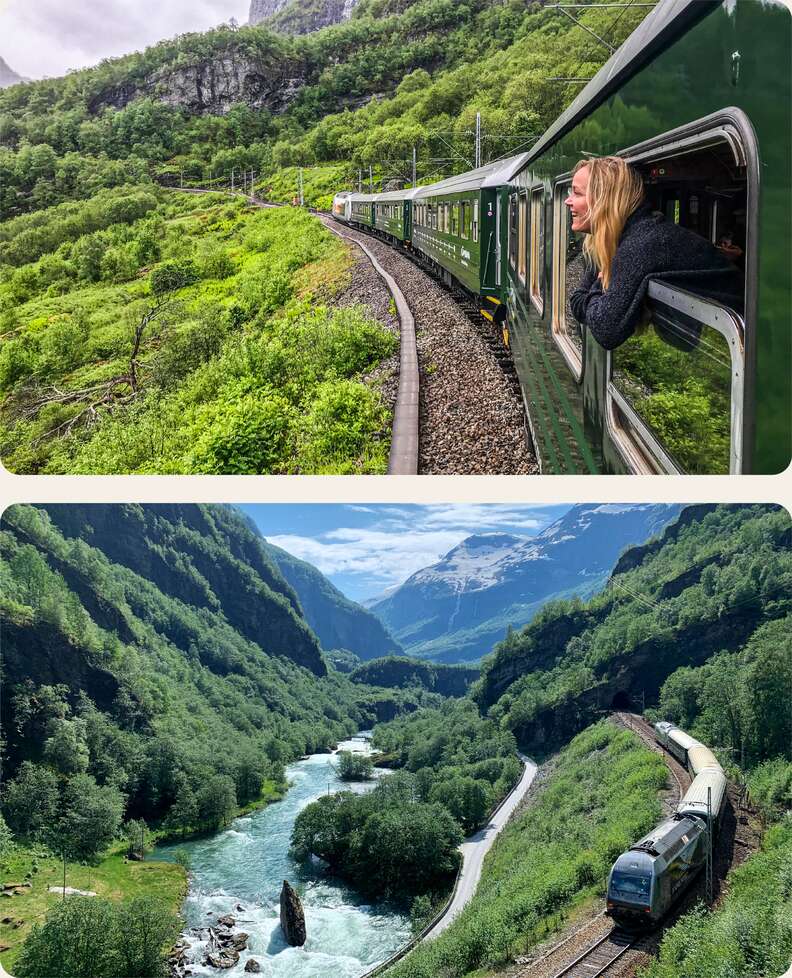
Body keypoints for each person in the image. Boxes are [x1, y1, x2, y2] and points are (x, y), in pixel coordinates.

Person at [565, 157, 743, 350]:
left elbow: (605, 330)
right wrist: (601, 293)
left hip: (745, 339)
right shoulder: (620, 238)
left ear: (604, 200)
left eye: (577, 193)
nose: (568, 201)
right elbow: (576, 300)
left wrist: (600, 286)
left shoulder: (643, 243)